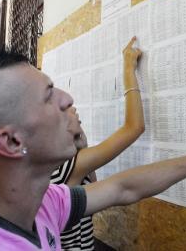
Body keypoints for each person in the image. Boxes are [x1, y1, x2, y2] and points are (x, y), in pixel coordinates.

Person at [0, 43, 186, 251]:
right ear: (12, 142)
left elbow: (121, 188)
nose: (68, 99)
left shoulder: (45, 201)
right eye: (48, 96)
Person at [50, 37, 144, 250]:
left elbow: (91, 184)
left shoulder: (65, 162)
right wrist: (129, 69)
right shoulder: (64, 166)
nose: (73, 108)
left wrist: (82, 144)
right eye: (65, 110)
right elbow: (134, 127)